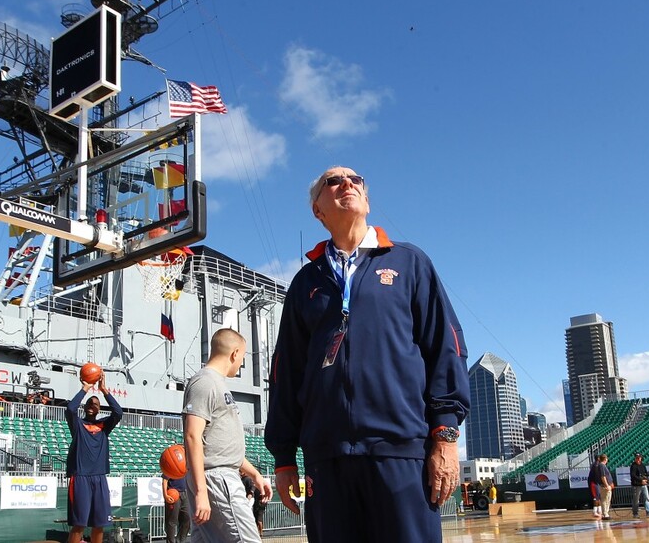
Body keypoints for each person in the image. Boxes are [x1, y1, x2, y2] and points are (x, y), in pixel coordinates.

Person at [265, 166, 471, 543]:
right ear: (317, 209)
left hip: (400, 449)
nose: (347, 184)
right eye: (334, 181)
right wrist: (282, 457)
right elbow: (286, 372)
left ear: (367, 201)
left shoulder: (409, 263)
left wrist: (445, 436)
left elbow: (445, 346)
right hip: (326, 458)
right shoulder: (305, 283)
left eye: (356, 180)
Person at [183, 328, 272, 542]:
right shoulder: (205, 382)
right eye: (242, 357)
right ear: (235, 353)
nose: (241, 363)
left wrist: (255, 474)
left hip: (219, 474)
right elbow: (192, 436)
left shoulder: (216, 383)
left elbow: (221, 446)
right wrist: (201, 491)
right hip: (217, 478)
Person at [65, 372, 123, 543]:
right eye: (90, 402)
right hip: (80, 477)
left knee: (99, 524)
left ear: (99, 409)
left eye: (96, 403)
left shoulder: (104, 426)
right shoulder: (78, 425)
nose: (92, 404)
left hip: (99, 478)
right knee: (79, 524)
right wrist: (85, 388)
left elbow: (118, 412)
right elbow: (70, 409)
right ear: (84, 407)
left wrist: (104, 390)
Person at [163, 473, 191, 542]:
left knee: (187, 519)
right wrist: (165, 495)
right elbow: (165, 480)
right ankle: (170, 541)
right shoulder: (171, 464)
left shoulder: (186, 465)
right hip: (173, 494)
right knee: (171, 521)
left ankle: (180, 541)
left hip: (185, 493)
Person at [588, 454, 613, 520]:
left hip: (601, 484)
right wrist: (606, 485)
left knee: (605, 499)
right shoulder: (599, 465)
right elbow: (603, 476)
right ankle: (603, 513)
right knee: (601, 498)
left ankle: (602, 512)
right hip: (600, 485)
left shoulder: (598, 465)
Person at [630, 452, 649, 518]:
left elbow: (645, 473)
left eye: (639, 458)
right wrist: (641, 480)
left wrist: (646, 479)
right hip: (636, 485)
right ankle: (635, 513)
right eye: (636, 458)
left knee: (647, 498)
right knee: (636, 500)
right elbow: (633, 475)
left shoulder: (642, 465)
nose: (638, 459)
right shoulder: (633, 466)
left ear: (641, 458)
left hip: (643, 485)